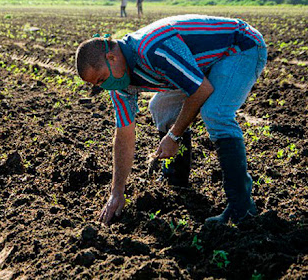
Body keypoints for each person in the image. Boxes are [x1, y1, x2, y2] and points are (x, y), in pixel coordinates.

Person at [75, 15, 267, 226]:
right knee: (160, 107)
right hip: (201, 65)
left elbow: (202, 89)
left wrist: (174, 135)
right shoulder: (118, 82)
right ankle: (176, 180)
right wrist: (117, 192)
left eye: (102, 79)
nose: (105, 86)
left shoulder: (153, 49)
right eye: (98, 85)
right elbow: (124, 133)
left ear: (112, 58)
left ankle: (242, 208)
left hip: (239, 47)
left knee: (216, 112)